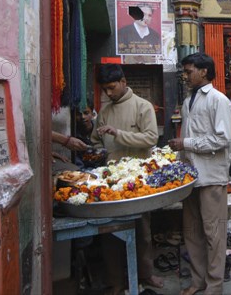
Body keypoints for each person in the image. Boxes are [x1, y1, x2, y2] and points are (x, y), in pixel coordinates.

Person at [90, 64, 163, 291]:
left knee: (141, 231)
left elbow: (151, 138)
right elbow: (95, 141)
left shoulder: (143, 107)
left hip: (138, 180)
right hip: (111, 182)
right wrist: (95, 151)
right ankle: (116, 282)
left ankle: (145, 274)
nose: (108, 93)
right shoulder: (104, 112)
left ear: (123, 81)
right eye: (104, 90)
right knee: (110, 233)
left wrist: (118, 134)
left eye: (111, 88)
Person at [168, 53, 231, 295]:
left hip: (212, 177)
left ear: (204, 71)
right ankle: (197, 282)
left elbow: (222, 139)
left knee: (213, 234)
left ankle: (214, 287)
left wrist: (187, 144)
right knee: (192, 233)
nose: (185, 76)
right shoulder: (188, 101)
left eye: (189, 71)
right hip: (191, 176)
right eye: (184, 72)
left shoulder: (219, 100)